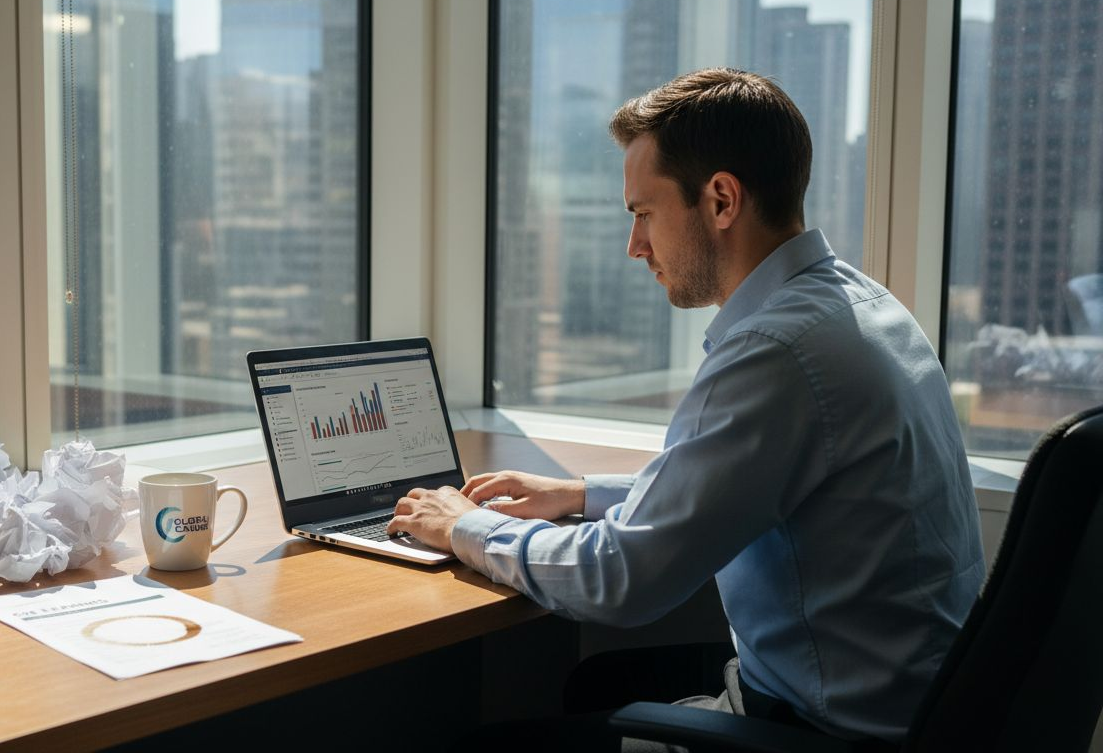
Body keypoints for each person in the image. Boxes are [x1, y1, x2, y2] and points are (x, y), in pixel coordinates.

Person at [388, 68, 984, 747]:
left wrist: (464, 526)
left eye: (643, 213)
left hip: (823, 730)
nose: (636, 246)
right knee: (594, 686)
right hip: (906, 706)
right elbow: (743, 485)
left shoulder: (776, 351)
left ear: (722, 199)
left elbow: (621, 581)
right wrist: (581, 495)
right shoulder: (860, 306)